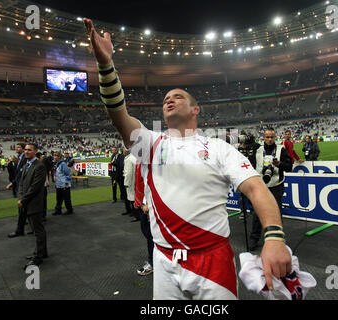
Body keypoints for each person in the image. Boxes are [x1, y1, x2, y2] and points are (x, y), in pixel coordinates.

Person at [84, 18, 291, 300]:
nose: (169, 100)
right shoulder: (150, 143)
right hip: (164, 259)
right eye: (166, 98)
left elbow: (257, 189)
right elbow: (118, 115)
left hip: (212, 260)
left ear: (195, 109)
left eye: (178, 96)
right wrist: (106, 65)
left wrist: (275, 237)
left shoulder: (218, 147)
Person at [250, 128, 293, 250]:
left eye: (271, 137)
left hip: (276, 186)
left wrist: (280, 165)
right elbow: (251, 165)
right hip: (261, 186)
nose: (269, 139)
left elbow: (289, 167)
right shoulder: (257, 150)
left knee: (276, 214)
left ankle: (277, 240)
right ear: (263, 137)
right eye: (267, 137)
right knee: (257, 213)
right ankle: (254, 238)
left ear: (275, 137)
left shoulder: (281, 149)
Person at [19, 143, 48, 269]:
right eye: (25, 150)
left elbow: (35, 187)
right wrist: (21, 197)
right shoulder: (26, 165)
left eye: (29, 150)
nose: (26, 152)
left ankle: (38, 256)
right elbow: (21, 184)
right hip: (27, 202)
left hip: (34, 203)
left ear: (35, 151)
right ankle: (43, 252)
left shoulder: (39, 166)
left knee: (38, 231)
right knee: (36, 229)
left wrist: (23, 200)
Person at [134, 161, 154, 276]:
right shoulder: (139, 160)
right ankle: (154, 260)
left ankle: (152, 263)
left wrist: (146, 202)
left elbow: (151, 182)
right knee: (147, 233)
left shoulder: (150, 160)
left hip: (148, 205)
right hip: (142, 203)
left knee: (151, 236)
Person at [7, 143, 29, 238]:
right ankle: (25, 225)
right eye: (16, 147)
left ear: (23, 149)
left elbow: (22, 173)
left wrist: (14, 182)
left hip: (23, 186)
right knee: (24, 209)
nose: (16, 148)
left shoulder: (24, 158)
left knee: (22, 208)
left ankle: (20, 230)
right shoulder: (19, 158)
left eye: (19, 147)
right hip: (20, 185)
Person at [123, 148, 139, 222]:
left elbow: (128, 173)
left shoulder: (128, 159)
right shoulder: (134, 157)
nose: (122, 151)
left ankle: (136, 215)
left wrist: (126, 183)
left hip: (131, 182)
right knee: (135, 198)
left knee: (132, 198)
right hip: (136, 181)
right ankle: (136, 214)